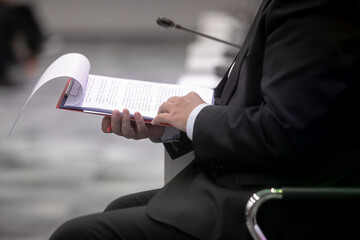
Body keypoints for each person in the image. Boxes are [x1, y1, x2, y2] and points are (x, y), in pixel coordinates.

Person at [50, 0, 360, 239]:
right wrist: (173, 123)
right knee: (118, 209)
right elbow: (276, 110)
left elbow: (284, 132)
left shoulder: (314, 7)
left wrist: (196, 117)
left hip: (282, 202)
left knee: (77, 234)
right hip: (259, 181)